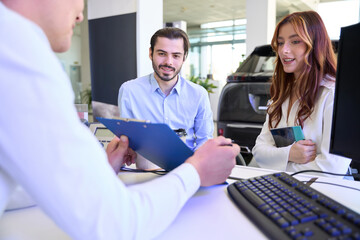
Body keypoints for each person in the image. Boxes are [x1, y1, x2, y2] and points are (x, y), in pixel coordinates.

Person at [0, 0, 239, 239]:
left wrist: (104, 168)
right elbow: (113, 223)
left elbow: (23, 181)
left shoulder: (11, 47)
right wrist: (195, 171)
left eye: (176, 55)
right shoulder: (18, 52)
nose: (81, 13)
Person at [252, 11, 351, 176]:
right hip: (284, 187)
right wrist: (289, 154)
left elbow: (332, 167)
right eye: (280, 43)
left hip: (325, 192)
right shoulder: (283, 95)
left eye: (295, 41)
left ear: (316, 44)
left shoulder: (334, 95)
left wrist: (280, 166)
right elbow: (259, 152)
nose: (284, 50)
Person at [118, 27, 213, 151]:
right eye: (162, 54)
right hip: (142, 166)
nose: (168, 62)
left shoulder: (199, 94)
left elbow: (205, 142)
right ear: (151, 53)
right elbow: (126, 140)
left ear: (184, 58)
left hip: (185, 166)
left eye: (176, 56)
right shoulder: (129, 91)